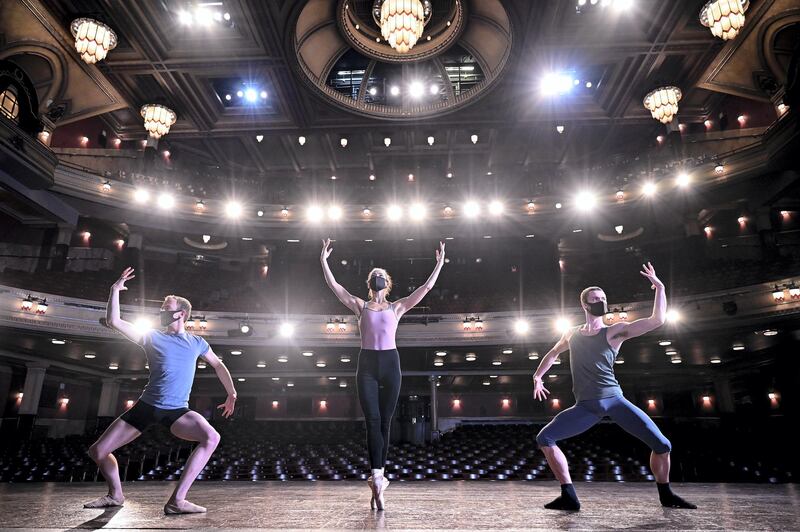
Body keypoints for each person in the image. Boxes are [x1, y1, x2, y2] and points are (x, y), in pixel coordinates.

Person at [532, 262, 696, 511]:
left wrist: (659, 289)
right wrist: (537, 376)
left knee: (663, 446)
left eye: (604, 298)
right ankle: (569, 495)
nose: (601, 301)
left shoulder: (615, 331)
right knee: (545, 438)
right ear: (585, 305)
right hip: (585, 406)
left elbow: (657, 320)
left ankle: (666, 494)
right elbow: (553, 353)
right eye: (596, 299)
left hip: (614, 400)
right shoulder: (571, 333)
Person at [84, 267, 237, 515]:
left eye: (167, 308)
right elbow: (114, 321)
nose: (162, 312)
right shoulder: (151, 336)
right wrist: (115, 290)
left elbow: (219, 365)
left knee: (212, 437)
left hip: (176, 410)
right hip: (146, 407)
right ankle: (115, 495)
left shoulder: (198, 343)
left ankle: (177, 501)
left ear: (182, 314)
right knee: (98, 451)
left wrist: (232, 393)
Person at [320, 239, 445, 510]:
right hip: (367, 364)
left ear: (387, 283)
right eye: (374, 275)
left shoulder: (397, 307)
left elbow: (426, 288)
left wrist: (439, 263)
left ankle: (379, 477)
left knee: (386, 422)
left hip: (390, 362)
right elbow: (334, 286)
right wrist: (324, 260)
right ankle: (377, 475)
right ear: (371, 282)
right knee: (372, 420)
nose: (378, 278)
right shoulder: (359, 306)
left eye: (382, 276)